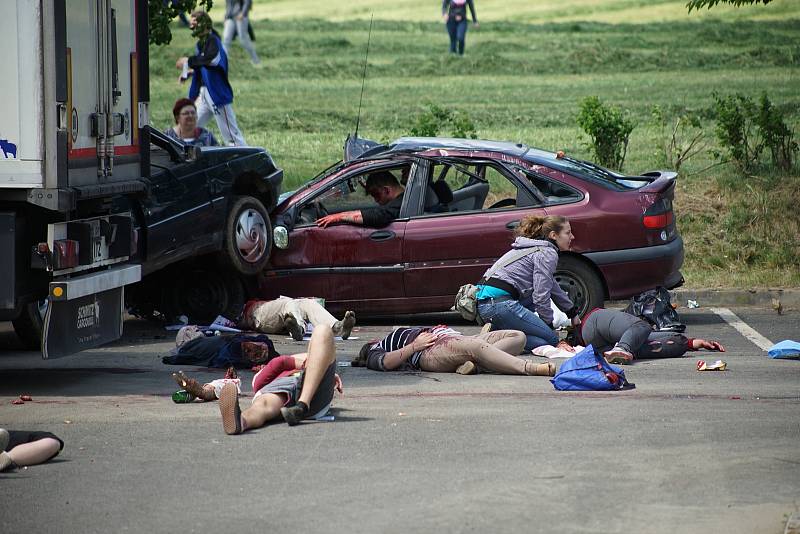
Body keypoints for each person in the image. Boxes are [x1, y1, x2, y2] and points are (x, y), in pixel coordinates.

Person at [475, 215, 580, 352]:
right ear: (554, 235)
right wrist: (547, 326)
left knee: (537, 339)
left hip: (484, 304)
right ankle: (490, 342)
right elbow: (541, 295)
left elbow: (552, 287)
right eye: (567, 233)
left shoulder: (533, 248)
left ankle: (494, 336)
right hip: (500, 304)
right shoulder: (547, 253)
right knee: (551, 340)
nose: (572, 237)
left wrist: (572, 313)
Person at [218, 325, 343, 434]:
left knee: (263, 405)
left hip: (308, 389)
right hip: (292, 389)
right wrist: (316, 367)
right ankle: (241, 421)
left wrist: (318, 368)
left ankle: (301, 405)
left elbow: (293, 360)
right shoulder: (265, 373)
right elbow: (281, 363)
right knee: (322, 330)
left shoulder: (297, 360)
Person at [352, 325, 555, 377]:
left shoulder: (394, 336)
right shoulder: (374, 350)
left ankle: (477, 366)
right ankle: (529, 368)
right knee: (476, 348)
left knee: (517, 336)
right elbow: (385, 363)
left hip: (451, 337)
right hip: (429, 351)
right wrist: (414, 346)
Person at [176, 10, 246, 146]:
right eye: (192, 26)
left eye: (196, 25)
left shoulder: (213, 40)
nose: (193, 28)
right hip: (203, 95)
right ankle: (187, 157)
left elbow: (212, 60)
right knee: (189, 126)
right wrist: (189, 72)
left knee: (231, 136)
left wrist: (188, 61)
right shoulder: (200, 44)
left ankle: (247, 163)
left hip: (216, 93)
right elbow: (203, 65)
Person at [577, 308, 725, 365]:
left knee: (679, 340)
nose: (571, 237)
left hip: (594, 345)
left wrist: (692, 343)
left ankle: (622, 349)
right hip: (591, 322)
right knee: (642, 326)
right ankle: (623, 348)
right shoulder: (554, 258)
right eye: (569, 235)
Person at [238, 297, 356, 341]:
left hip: (277, 316)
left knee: (308, 303)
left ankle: (337, 327)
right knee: (288, 303)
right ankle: (299, 328)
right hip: (256, 312)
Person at [316, 171, 405, 229]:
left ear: (387, 190)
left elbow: (379, 216)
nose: (376, 200)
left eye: (376, 195)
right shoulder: (404, 199)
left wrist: (339, 216)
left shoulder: (400, 203)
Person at [222, 0, 261, 65]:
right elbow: (228, 4)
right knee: (226, 39)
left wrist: (243, 13)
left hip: (240, 17)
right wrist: (226, 17)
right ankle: (223, 61)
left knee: (243, 39)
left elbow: (247, 2)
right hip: (230, 17)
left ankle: (256, 60)